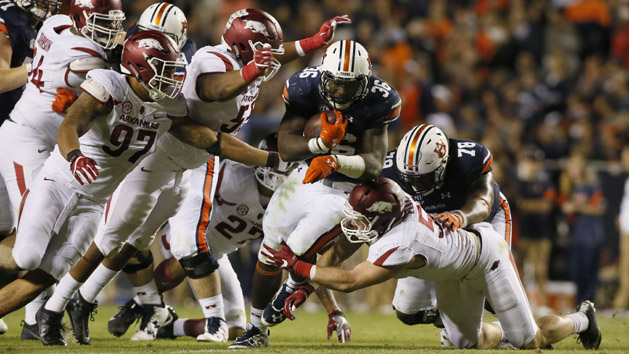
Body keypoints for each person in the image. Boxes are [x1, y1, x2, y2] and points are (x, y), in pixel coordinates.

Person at [40, 8, 351, 344]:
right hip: (165, 149)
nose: (273, 58)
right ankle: (62, 306)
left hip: (196, 158)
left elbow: (272, 57)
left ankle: (86, 301)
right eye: (264, 51)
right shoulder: (211, 59)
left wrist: (310, 43)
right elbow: (214, 89)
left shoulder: (248, 62)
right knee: (122, 236)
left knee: (137, 240)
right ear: (246, 49)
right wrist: (251, 72)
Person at [0, 30, 275, 347]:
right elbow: (71, 124)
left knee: (51, 271)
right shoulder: (109, 86)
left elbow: (211, 140)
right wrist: (75, 156)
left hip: (94, 203)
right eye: (166, 69)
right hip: (59, 183)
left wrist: (268, 158)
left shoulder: (168, 106)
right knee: (28, 254)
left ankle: (50, 313)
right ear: (141, 68)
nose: (173, 77)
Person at [263, 177, 603, 350]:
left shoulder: (402, 239)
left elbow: (351, 280)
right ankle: (505, 330)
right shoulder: (393, 199)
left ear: (382, 218)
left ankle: (581, 320)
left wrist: (299, 268)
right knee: (468, 343)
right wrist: (307, 281)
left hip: (485, 258)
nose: (354, 226)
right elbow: (338, 255)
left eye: (362, 219)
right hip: (450, 269)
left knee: (529, 342)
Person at [229, 39, 402, 348]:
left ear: (365, 82)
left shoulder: (381, 100)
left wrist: (335, 160)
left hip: (348, 190)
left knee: (294, 251)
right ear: (323, 75)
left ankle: (294, 286)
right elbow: (285, 145)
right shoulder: (304, 87)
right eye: (334, 82)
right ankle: (256, 328)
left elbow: (374, 165)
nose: (339, 91)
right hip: (306, 177)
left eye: (349, 85)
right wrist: (320, 145)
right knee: (270, 250)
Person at [0, 0, 124, 339]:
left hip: (40, 138)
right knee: (29, 247)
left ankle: (32, 321)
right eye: (102, 22)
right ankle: (33, 318)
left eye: (113, 22)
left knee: (35, 239)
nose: (110, 30)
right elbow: (118, 72)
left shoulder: (56, 24)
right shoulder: (85, 51)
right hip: (29, 140)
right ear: (82, 18)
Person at [381, 124, 512, 326]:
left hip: (481, 220)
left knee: (497, 296)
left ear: (443, 163)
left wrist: (460, 216)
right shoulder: (386, 170)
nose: (417, 186)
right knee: (408, 314)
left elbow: (483, 203)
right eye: (411, 179)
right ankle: (445, 316)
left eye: (424, 178)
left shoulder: (469, 158)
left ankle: (502, 328)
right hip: (432, 229)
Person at [515, 147, 556, 312]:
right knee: (520, 272)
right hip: (523, 233)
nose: (533, 165)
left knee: (540, 271)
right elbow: (520, 205)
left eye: (535, 162)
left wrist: (529, 205)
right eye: (530, 161)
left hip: (541, 233)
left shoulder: (545, 183)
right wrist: (535, 205)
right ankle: (522, 304)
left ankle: (542, 304)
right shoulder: (519, 182)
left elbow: (547, 206)